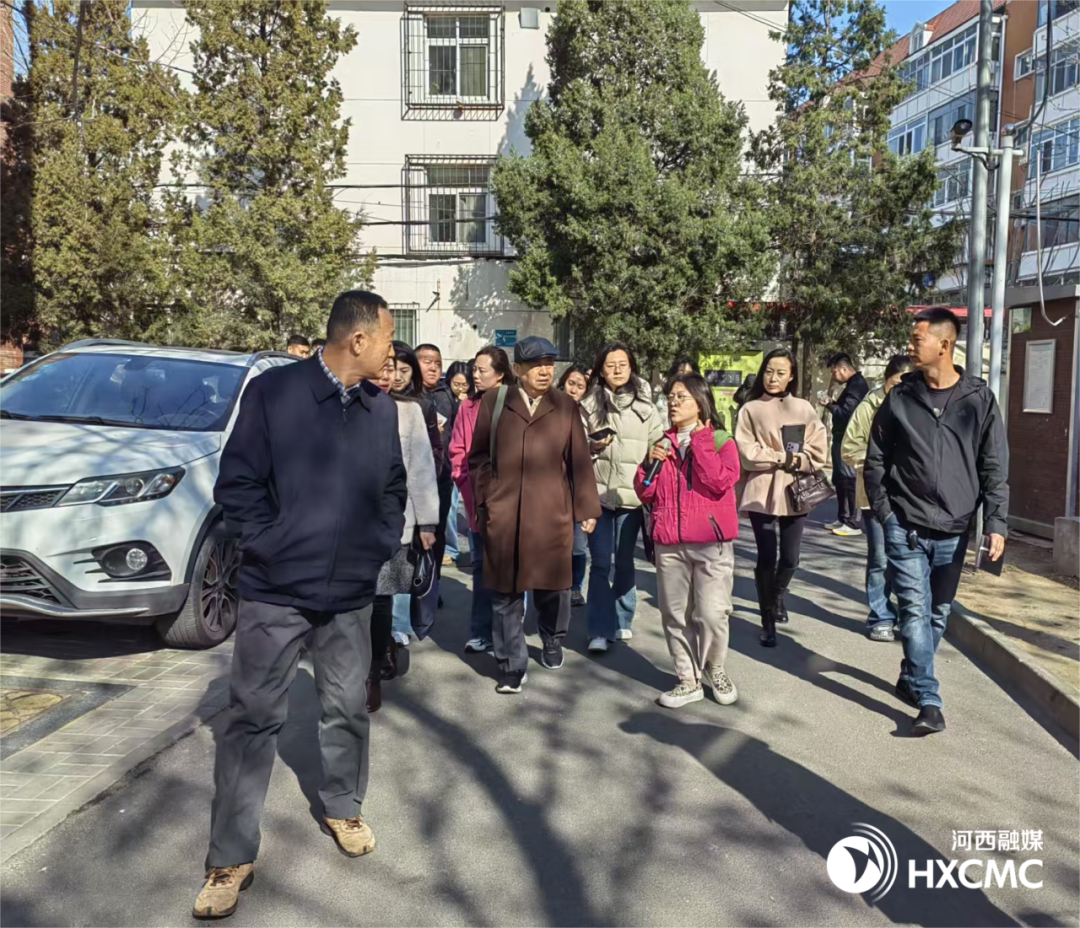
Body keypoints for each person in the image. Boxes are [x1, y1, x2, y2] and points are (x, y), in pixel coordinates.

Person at [194, 291, 404, 919]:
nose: (392, 351)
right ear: (358, 339)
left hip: (349, 594)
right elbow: (237, 484)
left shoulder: (380, 409)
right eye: (387, 338)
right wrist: (271, 545)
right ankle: (230, 855)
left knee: (347, 708)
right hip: (275, 592)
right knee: (252, 719)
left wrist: (376, 546)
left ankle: (343, 807)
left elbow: (392, 488)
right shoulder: (274, 394)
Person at [865, 308, 1008, 735]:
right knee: (913, 609)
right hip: (905, 522)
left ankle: (911, 674)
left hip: (954, 528)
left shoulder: (978, 399)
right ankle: (929, 700)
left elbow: (994, 466)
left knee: (938, 613)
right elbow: (875, 458)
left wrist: (996, 523)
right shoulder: (900, 397)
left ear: (944, 345)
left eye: (917, 339)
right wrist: (885, 512)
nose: (910, 346)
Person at [469, 336, 601, 693]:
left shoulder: (565, 405)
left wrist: (586, 507)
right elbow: (478, 457)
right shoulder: (496, 401)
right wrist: (488, 497)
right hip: (505, 514)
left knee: (554, 588)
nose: (545, 371)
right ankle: (511, 664)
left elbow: (579, 460)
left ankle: (552, 637)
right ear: (518, 369)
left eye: (549, 364)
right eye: (536, 365)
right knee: (505, 594)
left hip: (550, 513)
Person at [635, 373, 741, 709]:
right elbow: (645, 493)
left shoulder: (721, 441)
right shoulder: (662, 442)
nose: (673, 402)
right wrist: (648, 464)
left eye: (681, 397)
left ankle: (715, 667)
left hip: (711, 542)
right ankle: (688, 680)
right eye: (670, 397)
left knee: (712, 613)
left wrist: (702, 443)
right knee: (675, 615)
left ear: (700, 402)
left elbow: (720, 482)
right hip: (670, 542)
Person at [735, 348, 828, 648]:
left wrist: (791, 460)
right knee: (766, 556)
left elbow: (818, 451)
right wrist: (782, 457)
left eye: (780, 373)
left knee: (790, 557)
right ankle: (767, 619)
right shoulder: (749, 409)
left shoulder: (804, 408)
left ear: (791, 376)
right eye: (768, 371)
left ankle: (777, 595)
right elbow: (747, 453)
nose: (772, 378)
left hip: (795, 490)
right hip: (761, 489)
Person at [580, 342, 665, 653]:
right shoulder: (587, 405)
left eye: (623, 364)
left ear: (631, 367)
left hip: (632, 498)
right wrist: (592, 446)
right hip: (598, 496)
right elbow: (574, 447)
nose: (617, 370)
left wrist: (655, 457)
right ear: (601, 370)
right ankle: (599, 629)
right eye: (610, 365)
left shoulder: (646, 407)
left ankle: (622, 617)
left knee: (625, 560)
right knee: (601, 563)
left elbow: (660, 444)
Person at [366, 354, 439, 712]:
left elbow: (422, 467)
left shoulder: (409, 411)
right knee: (357, 602)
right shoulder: (348, 404)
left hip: (397, 521)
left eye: (394, 368)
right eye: (383, 367)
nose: (389, 375)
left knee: (382, 597)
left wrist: (427, 522)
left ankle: (374, 669)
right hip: (351, 524)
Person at [841, 354, 914, 643]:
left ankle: (910, 617)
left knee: (909, 560)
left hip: (911, 498)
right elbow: (849, 448)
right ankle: (881, 617)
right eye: (896, 383)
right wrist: (877, 462)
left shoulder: (916, 404)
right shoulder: (869, 406)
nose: (900, 388)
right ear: (886, 380)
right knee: (880, 558)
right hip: (874, 494)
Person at [449, 347, 514, 653]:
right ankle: (481, 631)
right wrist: (467, 487)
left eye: (481, 370)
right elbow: (458, 453)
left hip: (512, 502)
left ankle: (509, 636)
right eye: (474, 369)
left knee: (511, 570)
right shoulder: (468, 407)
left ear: (500, 374)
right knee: (481, 568)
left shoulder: (517, 404)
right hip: (478, 500)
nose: (474, 375)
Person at [386, 342, 442, 650]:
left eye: (404, 370)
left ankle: (399, 626)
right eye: (390, 369)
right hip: (367, 512)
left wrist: (427, 521)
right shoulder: (362, 402)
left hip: (405, 508)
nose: (396, 376)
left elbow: (424, 465)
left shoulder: (416, 407)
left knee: (400, 572)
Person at [820, 352, 869, 536]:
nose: (834, 376)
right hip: (841, 437)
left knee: (849, 480)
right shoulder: (852, 385)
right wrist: (832, 403)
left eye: (834, 372)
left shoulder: (857, 386)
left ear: (844, 369)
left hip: (849, 439)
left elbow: (847, 414)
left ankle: (853, 522)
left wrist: (829, 405)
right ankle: (842, 517)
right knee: (840, 479)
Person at [558, 363, 591, 606]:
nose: (574, 389)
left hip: (580, 484)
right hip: (554, 484)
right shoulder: (550, 409)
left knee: (578, 545)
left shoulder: (590, 414)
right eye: (571, 383)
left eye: (580, 386)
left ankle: (576, 586)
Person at [442, 361, 473, 567]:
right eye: (457, 384)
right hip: (452, 460)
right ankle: (451, 548)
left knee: (471, 507)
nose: (461, 388)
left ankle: (473, 548)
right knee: (451, 506)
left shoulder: (473, 401)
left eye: (464, 385)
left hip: (471, 461)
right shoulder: (444, 399)